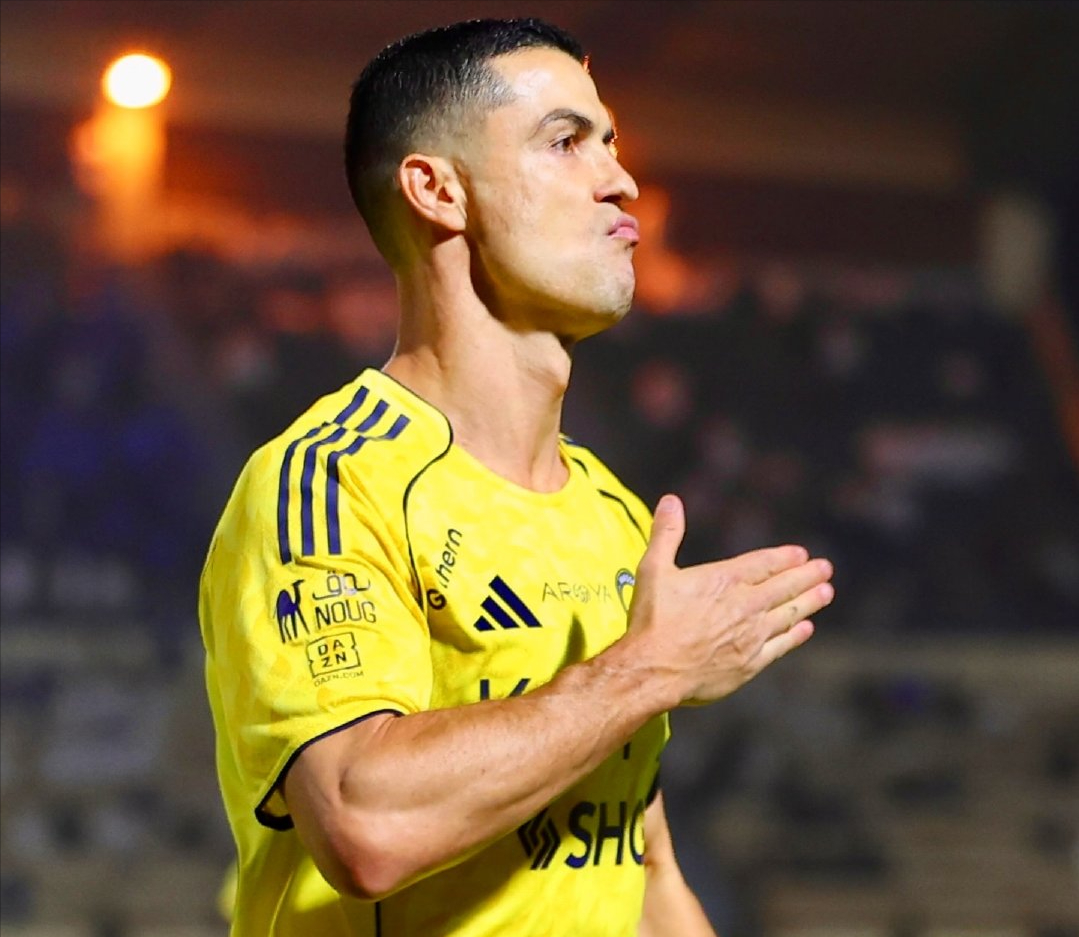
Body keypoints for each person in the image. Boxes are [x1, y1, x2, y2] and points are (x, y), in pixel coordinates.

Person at [199, 17, 835, 936]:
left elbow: (641, 866)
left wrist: (638, 679)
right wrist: (648, 668)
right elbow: (361, 821)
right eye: (566, 141)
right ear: (438, 190)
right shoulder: (330, 482)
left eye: (610, 143)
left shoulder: (613, 514)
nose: (620, 180)